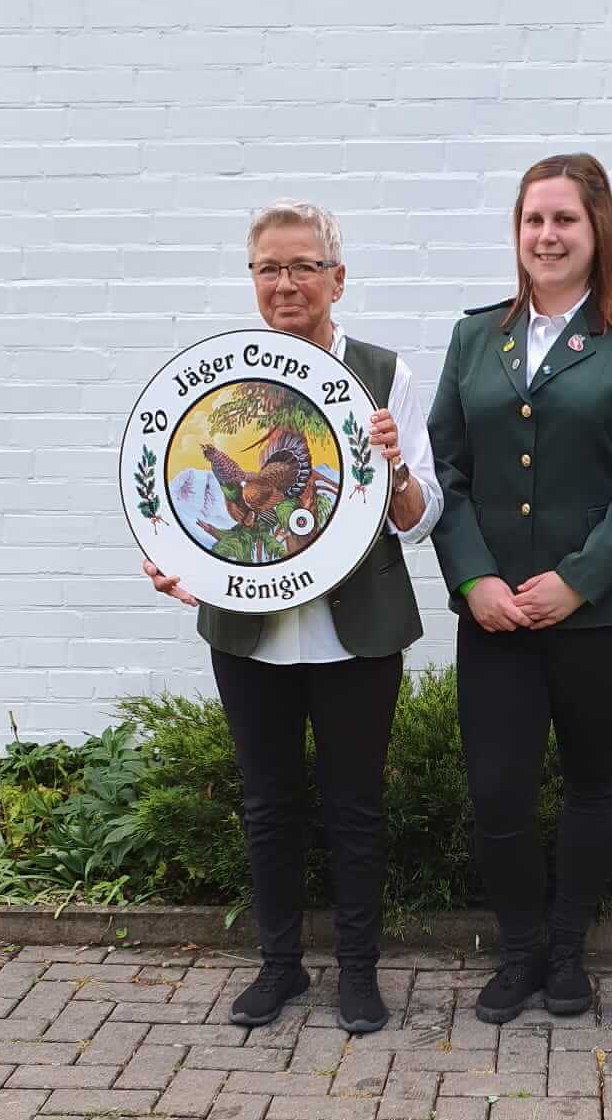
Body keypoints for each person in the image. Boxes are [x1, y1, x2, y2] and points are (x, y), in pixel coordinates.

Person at [145, 201, 442, 1036]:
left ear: (336, 280)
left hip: (359, 633)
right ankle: (279, 967)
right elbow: (188, 503)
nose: (286, 283)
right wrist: (176, 558)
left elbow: (422, 518)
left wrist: (395, 468)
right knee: (268, 807)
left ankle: (358, 973)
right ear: (253, 280)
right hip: (251, 636)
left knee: (355, 811)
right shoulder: (220, 386)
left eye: (304, 266)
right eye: (269, 268)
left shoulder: (384, 375)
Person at [429, 153, 612, 1025]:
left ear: (596, 230)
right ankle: (519, 950)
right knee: (497, 790)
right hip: (495, 616)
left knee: (593, 784)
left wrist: (578, 582)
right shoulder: (475, 337)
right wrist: (473, 579)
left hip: (605, 616)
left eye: (564, 219)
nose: (547, 235)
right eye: (533, 220)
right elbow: (447, 470)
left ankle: (569, 952)